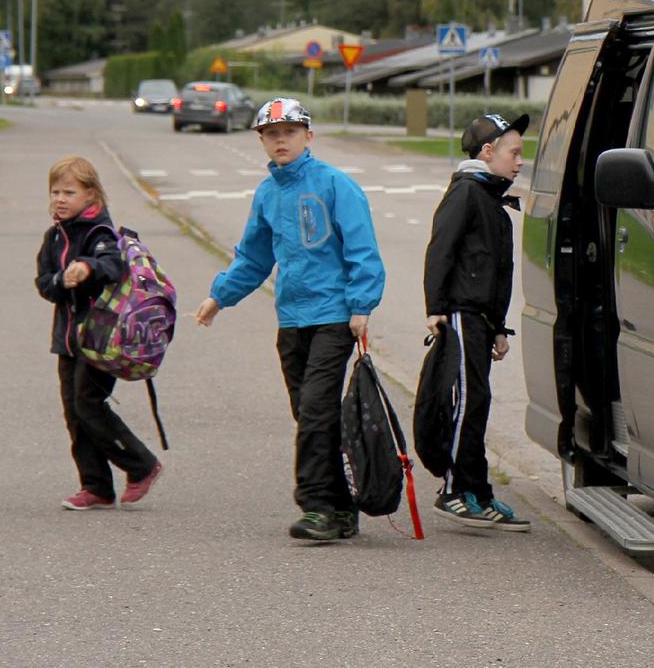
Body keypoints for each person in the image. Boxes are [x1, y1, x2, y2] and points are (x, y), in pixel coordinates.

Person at [194, 98, 385, 543]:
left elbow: (362, 249)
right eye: (272, 134)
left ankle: (316, 506)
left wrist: (361, 306)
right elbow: (254, 256)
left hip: (334, 317)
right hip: (292, 320)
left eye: (290, 133)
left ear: (308, 137)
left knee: (317, 409)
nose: (281, 141)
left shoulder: (336, 185)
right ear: (261, 141)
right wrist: (219, 297)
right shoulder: (268, 194)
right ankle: (341, 509)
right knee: (310, 414)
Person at [35, 156, 163, 511]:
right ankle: (95, 487)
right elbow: (44, 284)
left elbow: (111, 265)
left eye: (69, 191)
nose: (60, 199)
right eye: (55, 192)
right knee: (74, 412)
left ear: (91, 195)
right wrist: (62, 280)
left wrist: (87, 267)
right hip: (67, 339)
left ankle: (142, 465)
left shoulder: (99, 232)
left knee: (88, 403)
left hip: (102, 339)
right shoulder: (54, 237)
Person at [423, 113, 531, 531]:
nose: (520, 161)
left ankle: (479, 493)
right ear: (488, 152)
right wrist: (436, 307)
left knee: (479, 403)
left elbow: (496, 273)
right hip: (461, 314)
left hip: (483, 319)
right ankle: (453, 490)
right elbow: (440, 250)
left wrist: (500, 328)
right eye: (514, 153)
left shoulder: (491, 199)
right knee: (467, 403)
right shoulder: (467, 193)